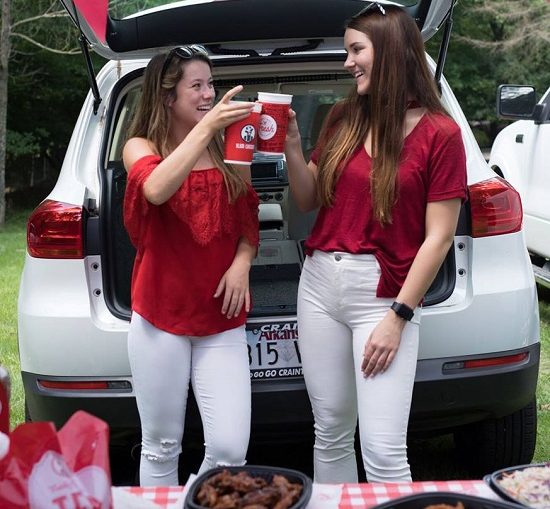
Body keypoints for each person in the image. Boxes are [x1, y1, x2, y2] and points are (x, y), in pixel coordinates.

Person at [284, 3, 467, 483]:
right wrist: (292, 146)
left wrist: (399, 317)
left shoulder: (441, 133)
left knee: (384, 451)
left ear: (389, 51)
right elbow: (307, 198)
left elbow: (439, 237)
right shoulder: (343, 115)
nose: (347, 62)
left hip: (384, 298)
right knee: (330, 432)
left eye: (356, 50)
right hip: (319, 285)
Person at [122, 45, 259, 486]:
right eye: (196, 86)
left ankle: (192, 501)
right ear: (168, 97)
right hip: (160, 317)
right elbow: (156, 189)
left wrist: (242, 261)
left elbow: (248, 218)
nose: (208, 95)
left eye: (210, 84)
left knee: (230, 449)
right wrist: (209, 127)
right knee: (161, 446)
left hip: (221, 318)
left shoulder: (228, 147)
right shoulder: (140, 146)